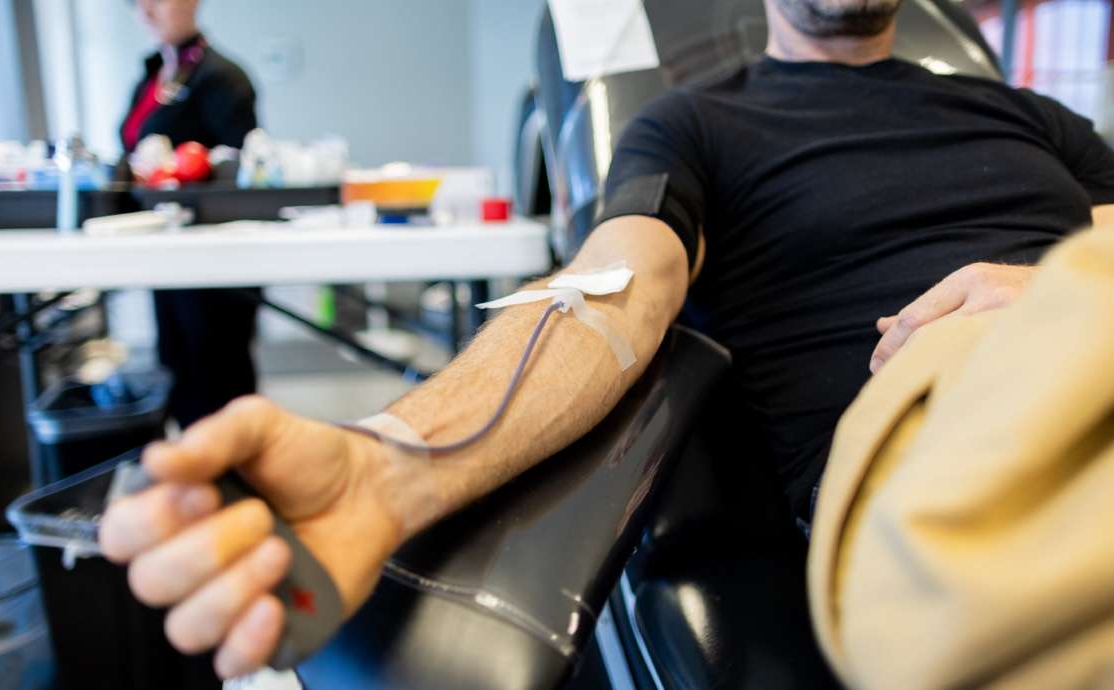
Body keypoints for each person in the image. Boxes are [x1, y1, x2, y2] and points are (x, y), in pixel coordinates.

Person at [99, 0, 1114, 678]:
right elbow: (611, 289)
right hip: (944, 414)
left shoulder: (1037, 118)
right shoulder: (696, 127)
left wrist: (1046, 294)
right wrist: (388, 464)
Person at [121, 0, 261, 428]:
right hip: (165, 250)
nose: (145, 10)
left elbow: (243, 169)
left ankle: (236, 483)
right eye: (135, 2)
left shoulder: (221, 78)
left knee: (217, 381)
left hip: (212, 258)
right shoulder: (150, 74)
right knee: (178, 371)